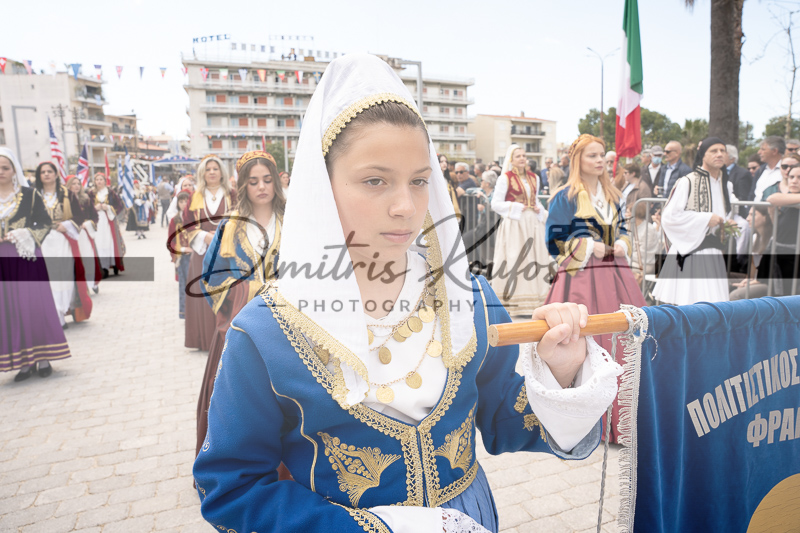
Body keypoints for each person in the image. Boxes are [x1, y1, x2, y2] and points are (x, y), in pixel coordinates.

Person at [193, 53, 622, 533]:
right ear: (322, 186)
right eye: (375, 180)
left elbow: (507, 417)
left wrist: (560, 372)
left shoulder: (469, 298)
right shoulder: (266, 331)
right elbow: (232, 488)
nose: (405, 206)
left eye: (419, 181)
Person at [544, 134, 646, 444]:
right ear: (578, 160)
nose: (600, 160)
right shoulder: (565, 197)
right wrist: (589, 246)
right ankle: (586, 423)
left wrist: (622, 244)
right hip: (581, 279)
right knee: (584, 340)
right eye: (592, 155)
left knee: (626, 338)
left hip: (617, 275)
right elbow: (554, 240)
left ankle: (625, 419)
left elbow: (624, 228)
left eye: (602, 155)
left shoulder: (613, 195)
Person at [196, 150, 285, 459]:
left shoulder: (294, 221)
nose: (261, 187)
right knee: (241, 398)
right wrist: (249, 289)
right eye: (253, 181)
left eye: (267, 180)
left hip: (289, 324)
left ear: (275, 182)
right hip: (243, 325)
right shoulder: (230, 226)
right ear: (243, 185)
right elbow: (211, 276)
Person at [0, 148, 71, 381]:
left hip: (26, 256)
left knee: (33, 305)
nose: (1, 172)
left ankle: (43, 358)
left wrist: (24, 234)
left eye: (5, 168)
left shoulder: (29, 195)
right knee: (9, 308)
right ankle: (23, 362)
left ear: (14, 171)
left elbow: (44, 222)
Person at [653, 137, 736, 305]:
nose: (719, 154)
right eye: (714, 151)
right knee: (689, 305)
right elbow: (669, 217)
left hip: (714, 253)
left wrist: (725, 223)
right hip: (691, 252)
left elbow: (721, 213)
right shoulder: (688, 181)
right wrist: (705, 219)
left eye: (722, 151)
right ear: (703, 155)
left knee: (714, 307)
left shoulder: (726, 185)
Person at [182, 155, 237, 351]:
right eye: (208, 169)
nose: (212, 172)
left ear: (222, 172)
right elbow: (187, 224)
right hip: (202, 253)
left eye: (215, 168)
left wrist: (224, 235)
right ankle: (205, 341)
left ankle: (227, 340)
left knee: (226, 291)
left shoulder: (232, 194)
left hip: (228, 252)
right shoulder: (194, 196)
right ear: (202, 173)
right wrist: (204, 236)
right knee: (203, 293)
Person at [490, 144, 552, 316]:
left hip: (532, 223)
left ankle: (536, 301)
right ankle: (516, 303)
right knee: (517, 259)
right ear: (511, 160)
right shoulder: (505, 178)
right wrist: (515, 207)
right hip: (515, 224)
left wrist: (540, 209)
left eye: (524, 155)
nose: (522, 158)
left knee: (535, 258)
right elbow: (495, 203)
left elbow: (535, 199)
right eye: (518, 156)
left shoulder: (534, 177)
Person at [35, 164, 93, 327]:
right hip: (42, 241)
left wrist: (66, 225)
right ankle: (56, 316)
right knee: (49, 278)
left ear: (56, 174)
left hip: (63, 240)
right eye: (43, 172)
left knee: (65, 276)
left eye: (49, 171)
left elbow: (79, 216)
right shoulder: (34, 195)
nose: (46, 174)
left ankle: (65, 309)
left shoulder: (67, 194)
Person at [764, 165, 800, 296]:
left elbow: (774, 199)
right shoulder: (788, 199)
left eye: (799, 177)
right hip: (781, 258)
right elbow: (772, 198)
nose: (794, 181)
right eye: (791, 177)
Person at [66, 176, 102, 295]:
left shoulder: (86, 199)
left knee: (87, 258)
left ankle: (91, 282)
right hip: (71, 233)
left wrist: (87, 224)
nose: (76, 186)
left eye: (78, 183)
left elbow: (95, 217)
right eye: (73, 183)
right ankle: (79, 287)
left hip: (84, 234)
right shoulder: (64, 200)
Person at [729, 205, 772, 300]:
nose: (747, 218)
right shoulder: (755, 237)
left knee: (735, 295)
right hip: (754, 278)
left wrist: (753, 282)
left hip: (766, 282)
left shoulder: (772, 240)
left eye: (753, 215)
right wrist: (748, 279)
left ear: (765, 217)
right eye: (748, 214)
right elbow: (753, 268)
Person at [88, 172, 125, 278]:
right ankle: (103, 267)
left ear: (105, 181)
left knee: (110, 241)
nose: (99, 182)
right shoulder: (91, 193)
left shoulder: (110, 192)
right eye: (97, 180)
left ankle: (114, 263)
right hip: (97, 221)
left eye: (101, 179)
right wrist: (95, 208)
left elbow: (119, 205)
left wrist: (108, 207)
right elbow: (87, 206)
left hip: (109, 221)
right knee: (99, 242)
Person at [167, 190, 192, 319]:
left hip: (197, 255)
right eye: (181, 201)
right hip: (183, 257)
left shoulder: (195, 217)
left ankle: (197, 313)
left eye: (186, 201)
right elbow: (170, 241)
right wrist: (182, 249)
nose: (183, 204)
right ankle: (185, 312)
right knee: (185, 285)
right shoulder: (175, 220)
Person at [749, 136, 785, 202]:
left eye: (763, 149)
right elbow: (752, 195)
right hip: (755, 208)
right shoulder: (760, 170)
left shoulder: (787, 169)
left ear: (774, 151)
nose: (759, 152)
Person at [725, 144, 753, 216]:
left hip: (737, 215)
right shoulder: (719, 172)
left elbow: (743, 197)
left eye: (724, 153)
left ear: (732, 158)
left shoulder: (743, 174)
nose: (720, 156)